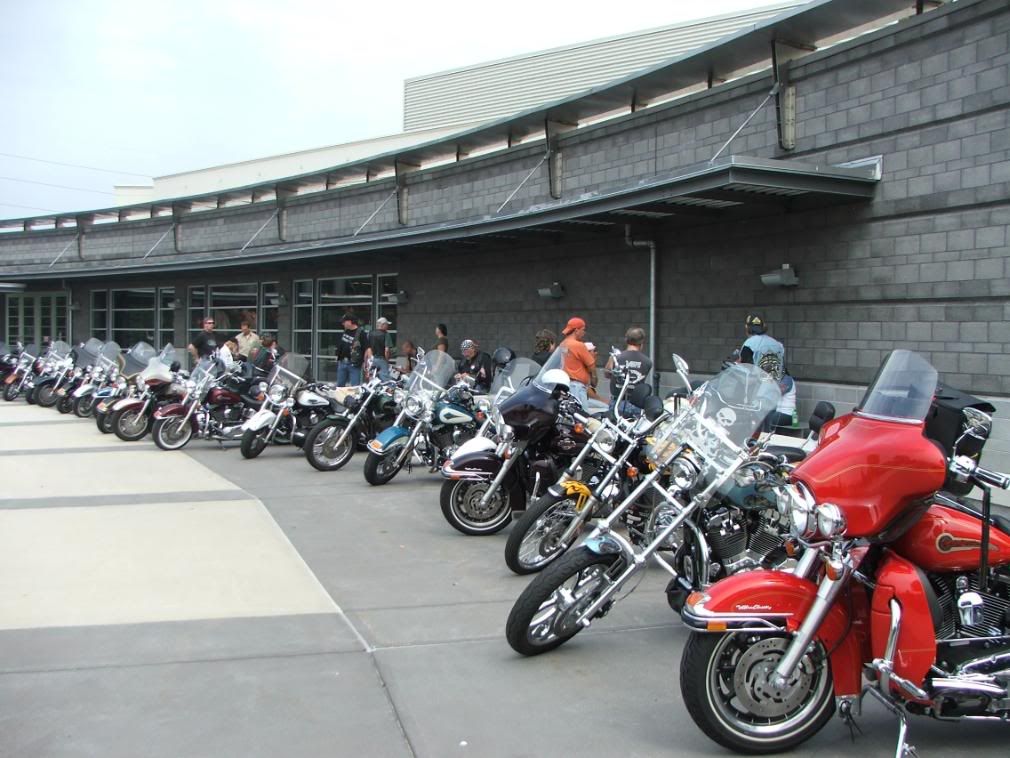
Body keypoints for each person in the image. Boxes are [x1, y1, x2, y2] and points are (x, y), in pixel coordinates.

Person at [605, 327, 653, 417]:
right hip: (636, 404)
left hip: (617, 402)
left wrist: (612, 359)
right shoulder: (647, 361)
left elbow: (607, 374)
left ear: (626, 340)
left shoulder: (616, 358)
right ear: (641, 342)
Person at [558, 317, 596, 409]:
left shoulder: (563, 344)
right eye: (583, 330)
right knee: (582, 417)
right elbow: (591, 365)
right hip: (577, 386)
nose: (584, 333)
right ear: (576, 330)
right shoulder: (578, 345)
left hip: (566, 385)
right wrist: (594, 378)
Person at [740, 313, 785, 380]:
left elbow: (745, 368)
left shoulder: (749, 344)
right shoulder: (777, 344)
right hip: (775, 385)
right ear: (763, 327)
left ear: (747, 328)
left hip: (757, 385)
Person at [335, 312, 368, 387]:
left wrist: (365, 362)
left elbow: (366, 348)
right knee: (339, 386)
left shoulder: (361, 333)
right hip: (342, 362)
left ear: (350, 321)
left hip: (354, 364)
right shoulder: (346, 330)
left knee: (355, 387)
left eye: (344, 321)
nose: (343, 324)